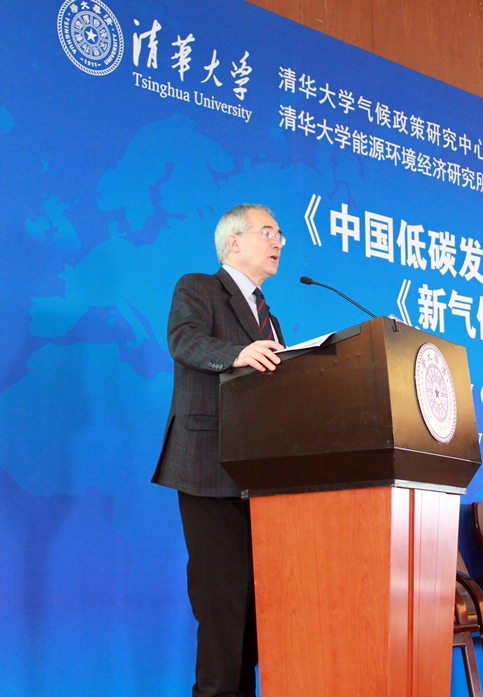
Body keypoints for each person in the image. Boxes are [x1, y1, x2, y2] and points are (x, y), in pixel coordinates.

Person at [152, 203, 286, 697]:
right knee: (221, 603)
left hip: (259, 478)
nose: (279, 242)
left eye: (280, 234)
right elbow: (183, 340)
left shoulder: (270, 317)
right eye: (268, 232)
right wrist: (237, 353)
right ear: (234, 241)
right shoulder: (199, 288)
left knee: (253, 609)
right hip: (207, 467)